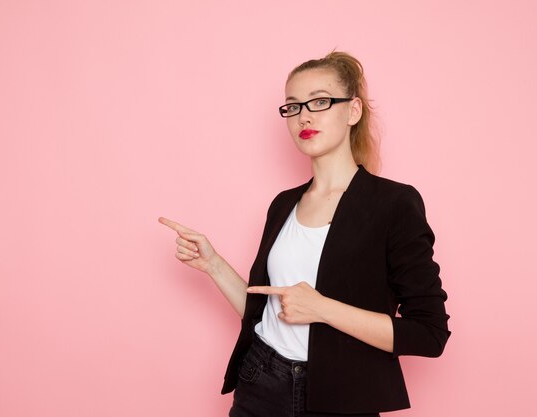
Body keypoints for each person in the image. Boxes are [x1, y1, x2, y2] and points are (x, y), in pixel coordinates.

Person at [159, 51, 450, 417]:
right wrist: (213, 264)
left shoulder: (394, 204)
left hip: (342, 398)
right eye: (293, 107)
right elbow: (264, 312)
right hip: (259, 384)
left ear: (353, 111)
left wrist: (322, 309)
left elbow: (429, 334)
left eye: (321, 101)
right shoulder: (283, 204)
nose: (304, 116)